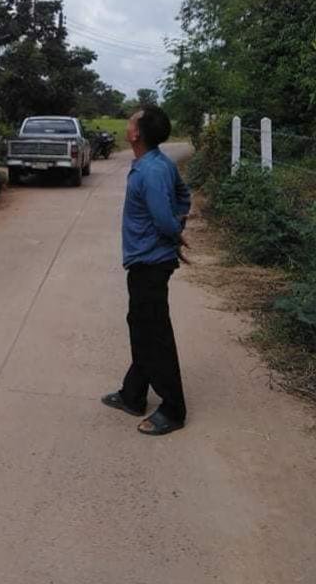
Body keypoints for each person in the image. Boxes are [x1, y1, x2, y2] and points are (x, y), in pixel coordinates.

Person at [102, 105, 191, 436]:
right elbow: (184, 195)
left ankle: (173, 409)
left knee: (154, 334)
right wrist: (179, 218)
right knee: (141, 325)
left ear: (136, 133)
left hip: (150, 262)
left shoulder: (150, 172)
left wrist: (175, 230)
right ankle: (132, 394)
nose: (127, 124)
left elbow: (164, 219)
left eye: (131, 120)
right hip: (146, 260)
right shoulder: (156, 163)